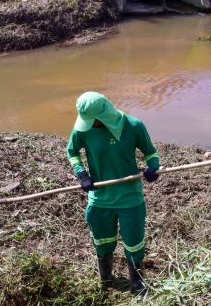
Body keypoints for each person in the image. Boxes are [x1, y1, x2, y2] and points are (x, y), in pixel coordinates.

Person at [66, 91, 160, 294]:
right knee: (102, 240)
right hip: (100, 198)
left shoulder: (134, 126)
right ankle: (106, 278)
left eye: (93, 120)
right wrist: (81, 174)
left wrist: (153, 169)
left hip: (130, 198)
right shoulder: (84, 129)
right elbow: (72, 151)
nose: (90, 124)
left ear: (104, 114)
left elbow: (151, 152)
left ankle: (136, 281)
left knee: (134, 242)